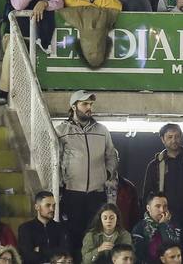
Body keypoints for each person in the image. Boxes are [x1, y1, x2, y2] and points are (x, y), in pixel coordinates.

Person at [57, 91, 118, 251]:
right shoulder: (61, 130)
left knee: (97, 235)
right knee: (74, 236)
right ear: (73, 106)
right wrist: (60, 181)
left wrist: (109, 174)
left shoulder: (102, 130)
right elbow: (55, 159)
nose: (89, 108)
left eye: (90, 104)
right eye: (84, 104)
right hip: (72, 193)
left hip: (97, 194)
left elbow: (111, 155)